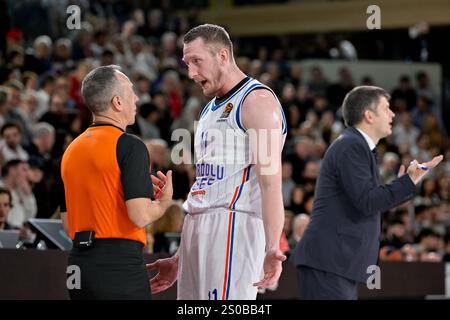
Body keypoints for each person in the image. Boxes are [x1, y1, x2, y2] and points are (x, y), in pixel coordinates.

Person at [147, 24, 287, 300]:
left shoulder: (257, 101)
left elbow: (271, 184)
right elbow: (206, 185)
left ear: (223, 56)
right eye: (187, 64)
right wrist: (181, 255)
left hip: (235, 224)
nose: (191, 73)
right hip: (198, 227)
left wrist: (272, 246)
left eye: (197, 61)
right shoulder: (210, 108)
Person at [292, 85, 443, 299]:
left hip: (336, 264)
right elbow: (368, 201)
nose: (392, 114)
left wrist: (405, 183)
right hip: (330, 262)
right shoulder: (351, 146)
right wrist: (408, 181)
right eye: (387, 108)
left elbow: (367, 201)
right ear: (369, 116)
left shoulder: (358, 147)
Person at [60, 65, 173, 300]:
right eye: (131, 91)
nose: (137, 98)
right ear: (117, 102)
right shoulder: (130, 145)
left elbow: (66, 223)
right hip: (119, 264)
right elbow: (140, 215)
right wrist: (163, 203)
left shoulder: (71, 150)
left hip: (79, 265)